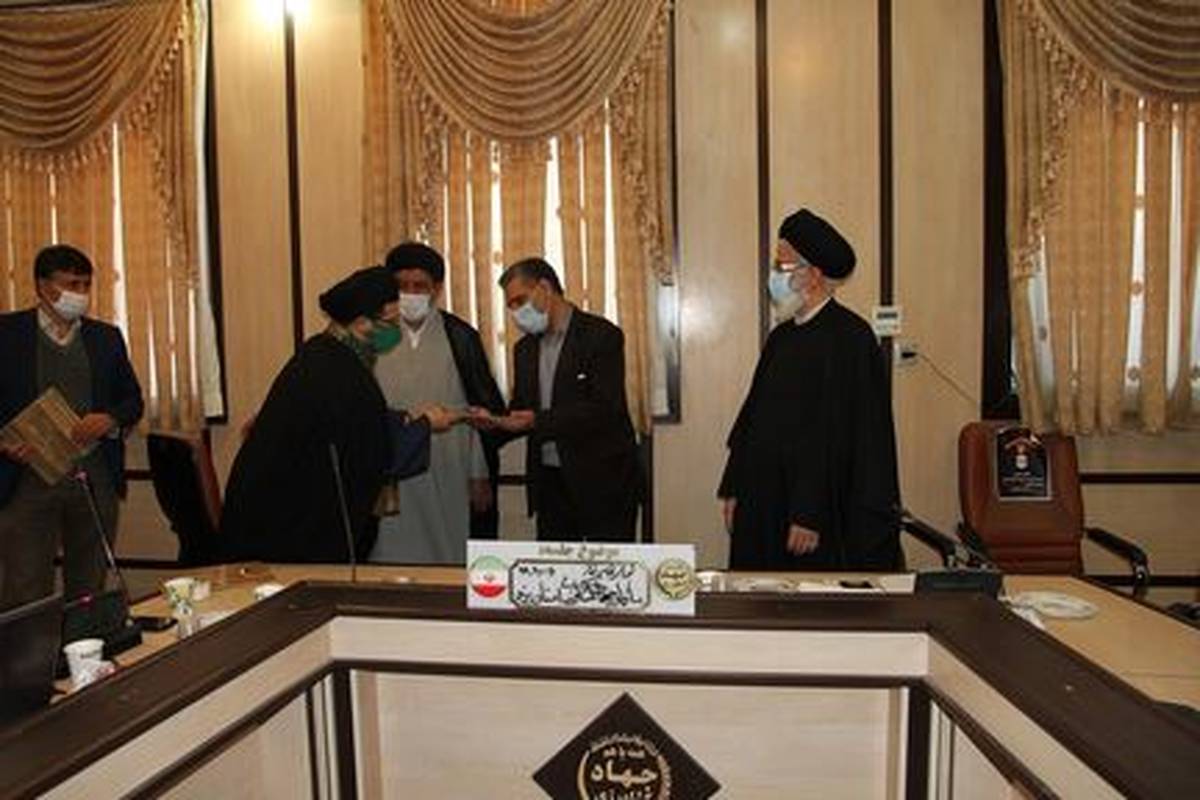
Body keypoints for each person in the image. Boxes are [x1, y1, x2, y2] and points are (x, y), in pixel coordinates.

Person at [220, 266, 456, 564]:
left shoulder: (324, 353)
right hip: (287, 531)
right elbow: (374, 455)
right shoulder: (340, 370)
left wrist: (404, 419)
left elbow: (351, 424)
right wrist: (426, 424)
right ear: (361, 323)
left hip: (284, 516)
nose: (396, 329)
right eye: (390, 321)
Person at [719, 209, 901, 570]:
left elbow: (845, 439)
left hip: (811, 515)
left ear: (814, 273)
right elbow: (753, 419)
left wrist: (809, 513)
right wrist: (734, 487)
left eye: (782, 266)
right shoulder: (781, 338)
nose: (774, 275)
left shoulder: (850, 339)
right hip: (762, 502)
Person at [0, 245, 143, 610]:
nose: (79, 293)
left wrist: (109, 419)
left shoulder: (106, 338)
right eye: (70, 284)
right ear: (43, 286)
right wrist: (4, 441)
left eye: (85, 285)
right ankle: (27, 650)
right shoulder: (7, 334)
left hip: (93, 478)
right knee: (25, 588)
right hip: (25, 479)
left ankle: (84, 645)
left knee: (89, 586)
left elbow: (132, 400)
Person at [471, 257, 639, 542]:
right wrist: (494, 423)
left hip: (603, 481)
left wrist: (537, 420)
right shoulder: (524, 349)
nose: (515, 312)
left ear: (545, 288)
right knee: (554, 565)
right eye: (510, 305)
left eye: (519, 301)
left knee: (607, 566)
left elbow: (604, 408)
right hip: (550, 483)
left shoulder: (601, 336)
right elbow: (521, 410)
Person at [371, 242, 504, 564]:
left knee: (449, 546)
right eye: (402, 285)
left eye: (419, 286)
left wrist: (479, 472)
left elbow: (477, 411)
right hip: (393, 463)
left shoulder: (460, 336)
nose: (410, 293)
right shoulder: (375, 335)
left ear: (437, 289)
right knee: (388, 547)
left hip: (449, 463)